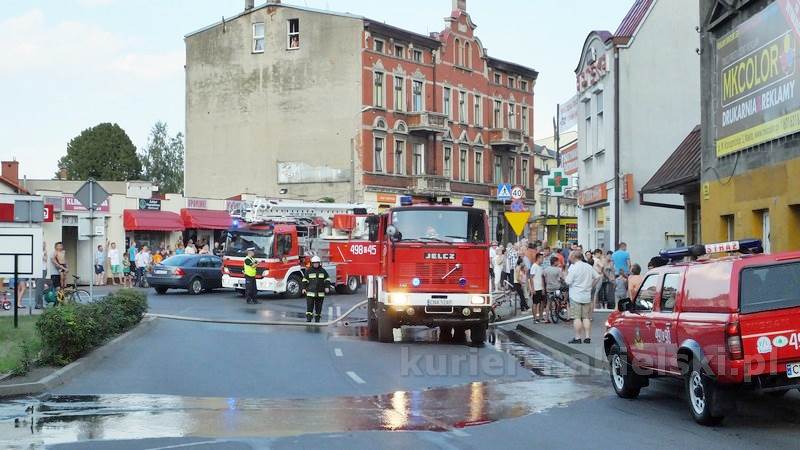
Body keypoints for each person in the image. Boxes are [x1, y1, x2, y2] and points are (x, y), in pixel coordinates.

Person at [565, 250, 599, 344]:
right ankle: (587, 337)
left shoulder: (573, 268)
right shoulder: (588, 266)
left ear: (574, 257)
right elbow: (597, 277)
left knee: (577, 317)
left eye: (570, 256)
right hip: (586, 295)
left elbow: (568, 281)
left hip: (575, 295)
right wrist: (591, 286)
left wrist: (564, 275)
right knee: (586, 317)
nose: (569, 257)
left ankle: (577, 337)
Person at [303, 255, 330, 322]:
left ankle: (317, 319)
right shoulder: (309, 271)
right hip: (310, 293)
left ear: (319, 263)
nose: (316, 264)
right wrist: (303, 288)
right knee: (309, 307)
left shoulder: (323, 271)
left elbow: (327, 279)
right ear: (312, 263)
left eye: (317, 263)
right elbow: (304, 280)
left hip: (320, 293)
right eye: (314, 263)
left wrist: (327, 287)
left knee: (318, 308)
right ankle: (309, 319)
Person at [529, 252, 545, 322]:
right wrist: (532, 289)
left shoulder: (541, 267)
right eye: (542, 258)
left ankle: (541, 316)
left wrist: (543, 288)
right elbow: (531, 278)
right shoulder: (534, 266)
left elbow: (541, 278)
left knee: (542, 302)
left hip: (541, 288)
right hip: (536, 288)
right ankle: (535, 318)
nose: (543, 260)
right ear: (538, 258)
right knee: (535, 303)